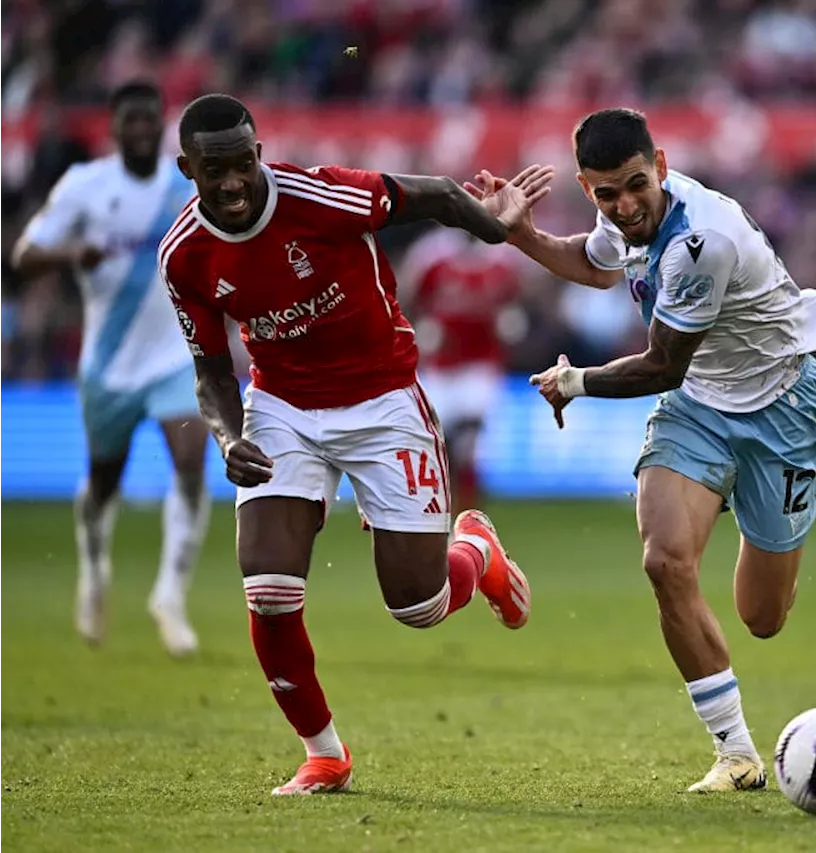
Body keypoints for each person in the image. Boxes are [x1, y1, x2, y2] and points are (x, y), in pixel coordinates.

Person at [159, 93, 549, 796]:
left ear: (259, 152)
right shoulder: (185, 255)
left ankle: (477, 552)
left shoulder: (322, 195)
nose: (233, 183)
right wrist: (228, 433)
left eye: (244, 163)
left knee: (417, 606)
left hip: (383, 398)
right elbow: (212, 371)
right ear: (187, 166)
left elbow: (428, 194)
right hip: (280, 404)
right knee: (269, 589)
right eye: (214, 170)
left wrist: (494, 227)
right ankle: (324, 753)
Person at [470, 108, 816, 793]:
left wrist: (575, 380)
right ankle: (737, 754)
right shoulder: (623, 216)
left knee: (763, 617)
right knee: (664, 560)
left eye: (637, 185)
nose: (624, 204)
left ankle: (756, 510)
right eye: (606, 193)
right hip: (699, 406)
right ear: (589, 188)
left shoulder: (702, 241)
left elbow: (662, 364)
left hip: (782, 404)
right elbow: (596, 263)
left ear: (662, 167)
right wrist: (520, 233)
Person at [11, 81, 210, 657]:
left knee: (192, 463)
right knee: (104, 482)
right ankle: (94, 571)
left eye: (152, 118)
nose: (144, 128)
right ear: (114, 127)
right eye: (133, 120)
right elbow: (24, 255)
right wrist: (72, 254)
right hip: (107, 367)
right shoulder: (85, 187)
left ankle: (170, 597)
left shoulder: (187, 186)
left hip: (175, 358)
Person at [402, 227, 523, 511]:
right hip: (440, 367)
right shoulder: (432, 254)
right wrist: (416, 329)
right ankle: (434, 505)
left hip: (481, 364)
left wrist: (511, 323)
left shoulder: (501, 259)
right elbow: (407, 295)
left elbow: (514, 302)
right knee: (439, 440)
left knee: (470, 442)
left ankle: (466, 510)